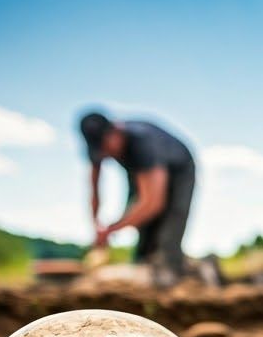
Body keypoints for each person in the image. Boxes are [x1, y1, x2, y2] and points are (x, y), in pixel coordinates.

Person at [79, 110, 197, 287]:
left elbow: (153, 203)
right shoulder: (97, 147)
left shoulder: (142, 143)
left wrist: (111, 229)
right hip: (142, 174)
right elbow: (95, 190)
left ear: (115, 131)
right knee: (143, 235)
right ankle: (145, 269)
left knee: (168, 233)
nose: (105, 155)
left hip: (179, 170)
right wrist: (96, 225)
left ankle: (176, 274)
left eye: (106, 147)